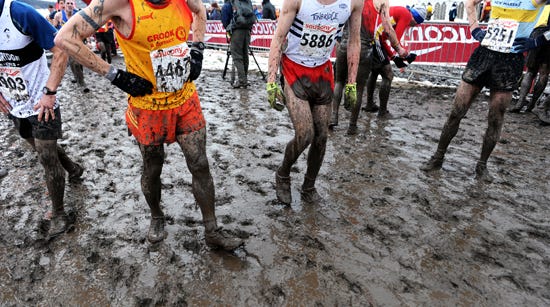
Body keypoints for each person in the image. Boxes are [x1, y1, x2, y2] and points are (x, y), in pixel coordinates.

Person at [55, 0, 244, 250]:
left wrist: (197, 49)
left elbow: (200, 12)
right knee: (153, 168)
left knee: (200, 163)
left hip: (185, 100)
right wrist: (115, 75)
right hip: (148, 108)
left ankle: (212, 230)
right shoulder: (119, 3)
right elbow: (65, 37)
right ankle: (156, 216)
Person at [421, 0, 546, 181]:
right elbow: (469, 3)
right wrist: (475, 29)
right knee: (457, 110)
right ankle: (437, 157)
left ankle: (482, 166)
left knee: (495, 118)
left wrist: (539, 40)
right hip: (484, 55)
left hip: (510, 61)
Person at [0, 0, 83, 237]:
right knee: (39, 148)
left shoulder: (19, 13)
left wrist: (50, 92)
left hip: (42, 101)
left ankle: (59, 214)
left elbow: (61, 49)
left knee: (47, 158)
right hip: (13, 103)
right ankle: (74, 168)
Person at [267, 0, 363, 204]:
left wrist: (352, 83)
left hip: (322, 71)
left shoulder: (354, 2)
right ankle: (283, 173)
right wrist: (271, 81)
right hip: (294, 69)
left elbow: (354, 41)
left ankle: (308, 186)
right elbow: (278, 37)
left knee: (321, 136)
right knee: (305, 135)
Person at [336, 0, 410, 135]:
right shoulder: (383, 2)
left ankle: (333, 118)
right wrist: (399, 50)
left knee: (339, 81)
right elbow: (388, 28)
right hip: (364, 46)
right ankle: (352, 126)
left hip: (345, 43)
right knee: (358, 87)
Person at [364, 5, 425, 118]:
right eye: (416, 24)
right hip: (375, 39)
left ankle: (369, 104)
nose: (414, 26)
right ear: (416, 20)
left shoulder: (401, 11)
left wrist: (393, 57)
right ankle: (382, 112)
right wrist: (406, 54)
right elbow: (394, 40)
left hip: (373, 37)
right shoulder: (406, 15)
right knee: (388, 75)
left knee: (375, 71)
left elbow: (384, 40)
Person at [510, 6, 550, 113]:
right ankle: (532, 105)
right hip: (548, 35)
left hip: (536, 32)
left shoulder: (541, 3)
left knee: (530, 71)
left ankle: (520, 102)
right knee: (544, 73)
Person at [53, 0, 90, 93]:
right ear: (64, 5)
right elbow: (53, 28)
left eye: (71, 3)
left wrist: (88, 40)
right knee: (74, 62)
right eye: (67, 3)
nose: (69, 5)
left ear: (73, 5)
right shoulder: (59, 15)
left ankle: (77, 77)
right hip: (65, 43)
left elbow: (85, 27)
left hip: (78, 41)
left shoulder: (78, 14)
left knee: (80, 61)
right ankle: (82, 84)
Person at [228, 0, 256, 88]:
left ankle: (242, 81)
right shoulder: (248, 2)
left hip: (237, 30)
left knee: (237, 56)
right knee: (245, 55)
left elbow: (226, 16)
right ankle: (244, 78)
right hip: (247, 29)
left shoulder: (234, 2)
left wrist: (229, 28)